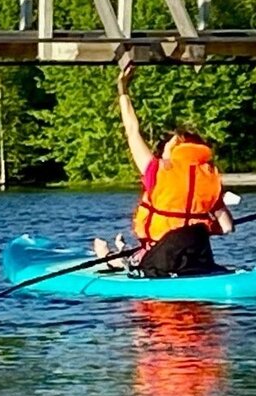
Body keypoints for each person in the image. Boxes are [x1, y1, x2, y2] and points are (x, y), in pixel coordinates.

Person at [93, 62, 233, 277]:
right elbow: (227, 227)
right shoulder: (209, 181)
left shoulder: (155, 172)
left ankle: (109, 257)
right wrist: (200, 227)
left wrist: (123, 90)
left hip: (160, 260)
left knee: (125, 258)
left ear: (175, 150)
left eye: (167, 145)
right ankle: (114, 255)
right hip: (198, 258)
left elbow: (132, 130)